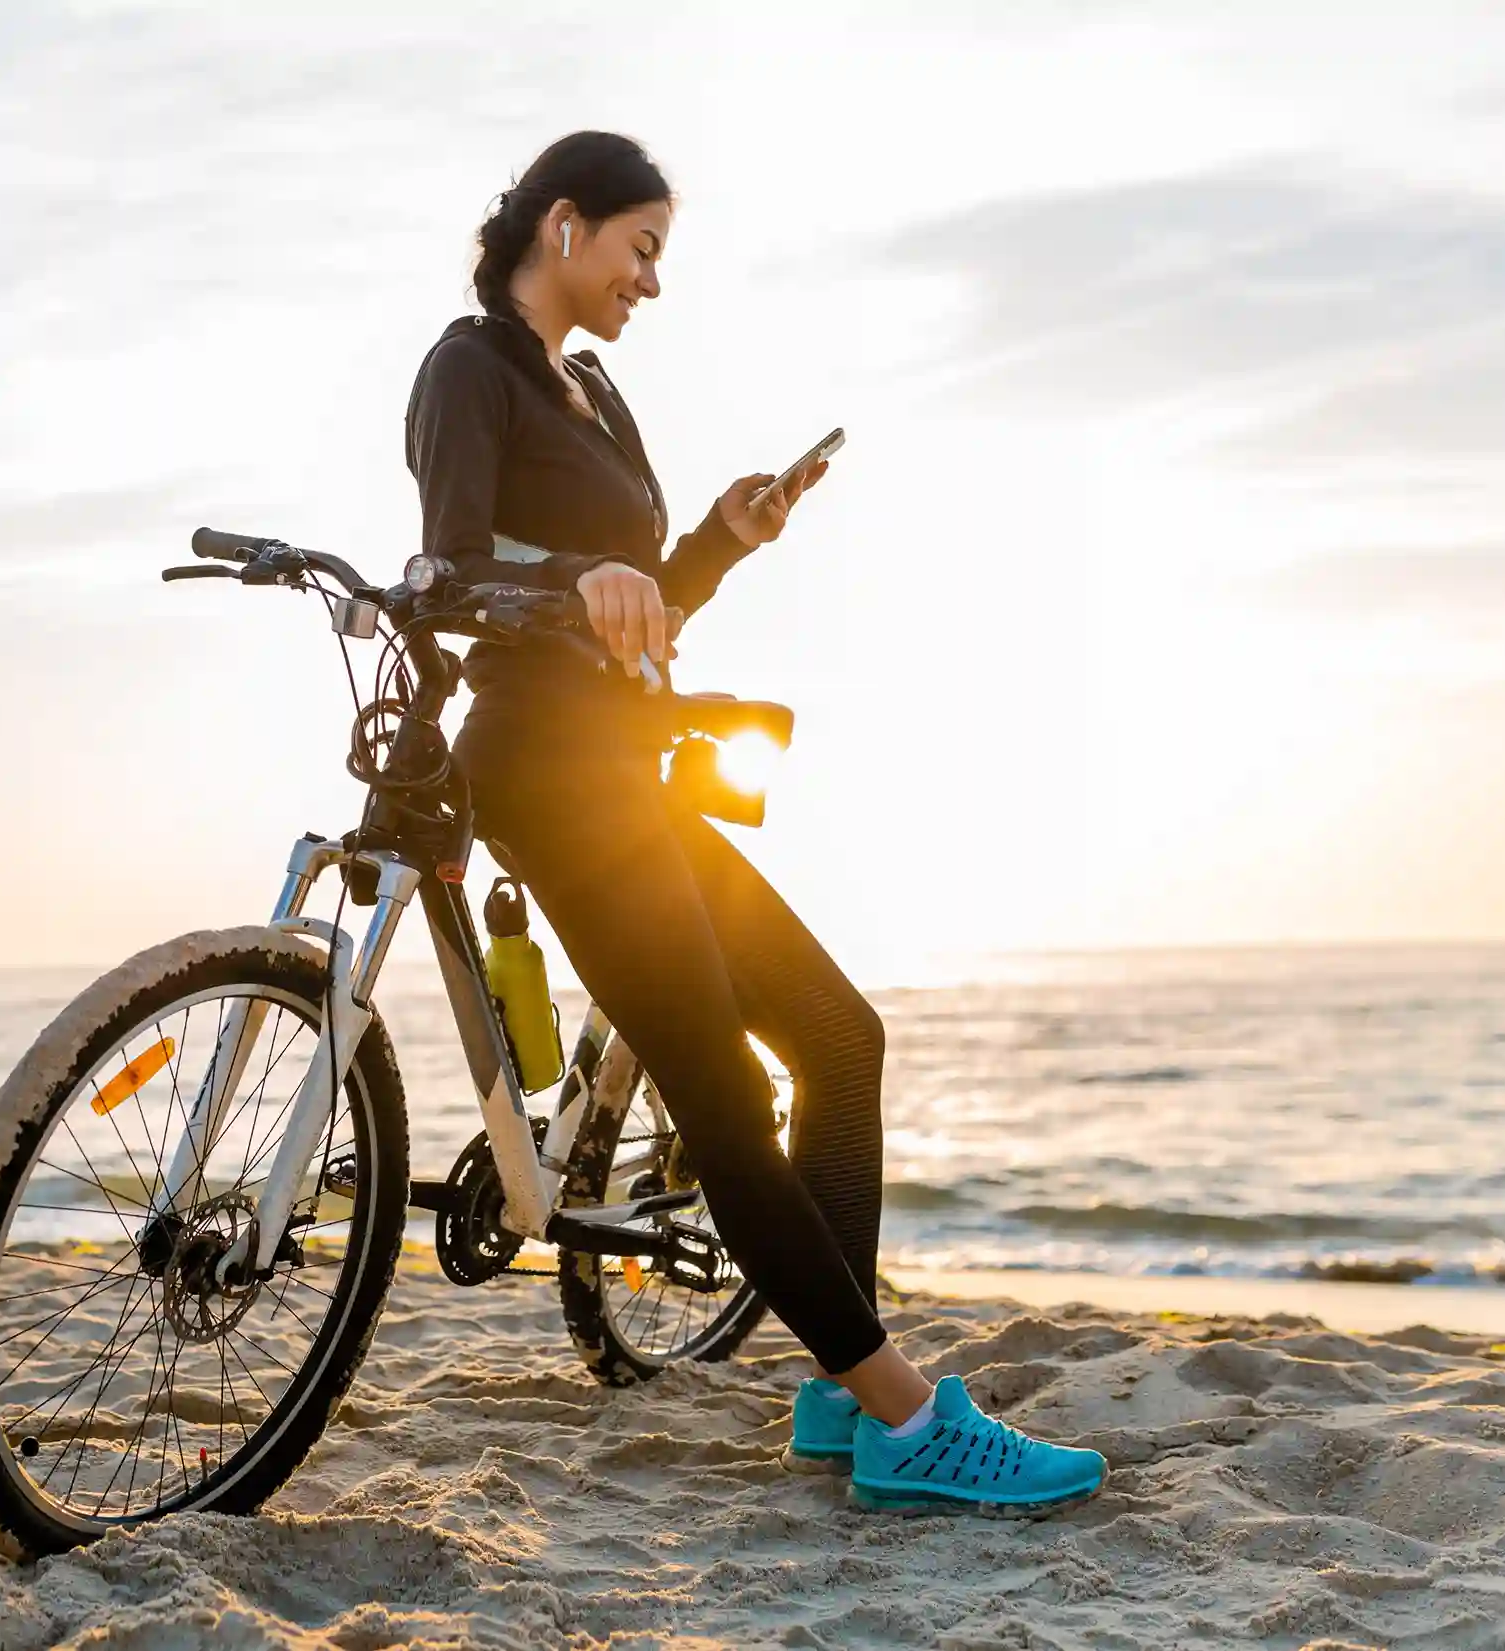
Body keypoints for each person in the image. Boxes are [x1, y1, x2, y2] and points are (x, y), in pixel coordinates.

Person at [405, 130, 1104, 1515]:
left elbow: (639, 602)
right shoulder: (470, 369)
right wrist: (582, 579)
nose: (651, 283)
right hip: (545, 774)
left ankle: (844, 1393)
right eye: (641, 248)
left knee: (843, 1036)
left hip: (629, 773)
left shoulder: (595, 391)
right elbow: (447, 571)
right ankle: (906, 1415)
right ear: (564, 227)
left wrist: (720, 538)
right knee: (721, 1087)